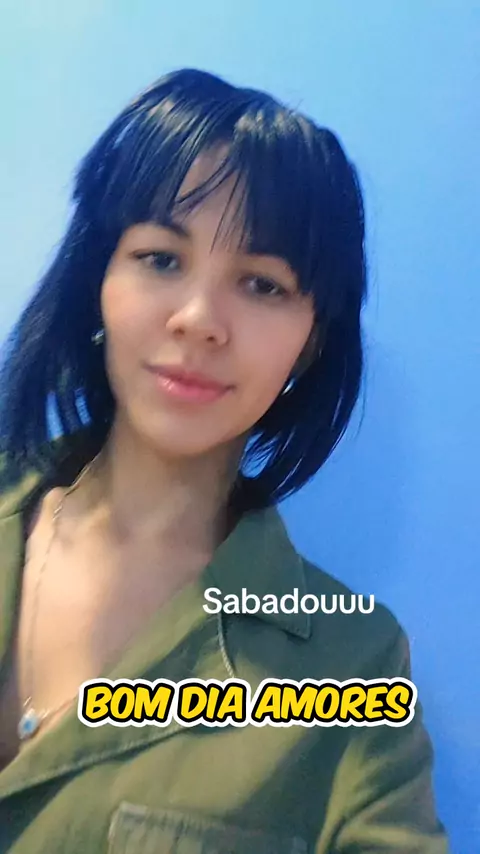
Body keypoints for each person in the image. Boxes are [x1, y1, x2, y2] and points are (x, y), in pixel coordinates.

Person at [0, 68, 449, 853]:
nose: (200, 318)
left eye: (262, 285)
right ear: (98, 279)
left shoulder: (353, 667)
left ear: (310, 342)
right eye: (160, 258)